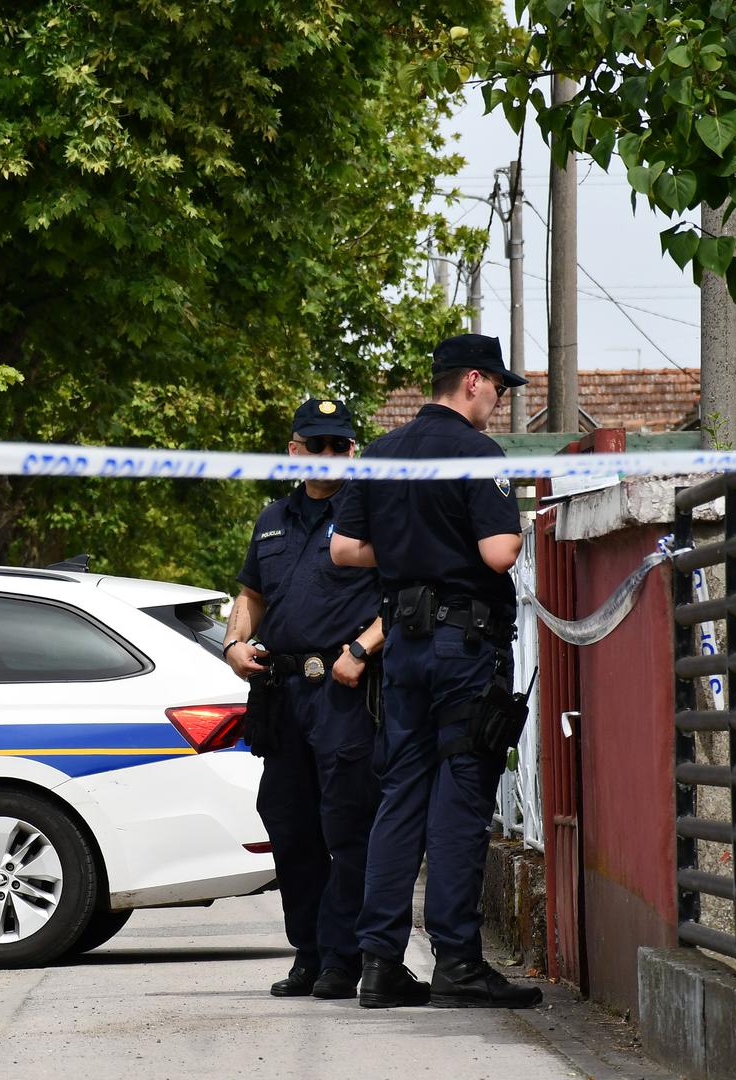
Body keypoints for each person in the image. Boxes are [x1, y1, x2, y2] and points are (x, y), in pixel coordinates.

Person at [329, 333, 543, 1010]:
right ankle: (456, 963)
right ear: (473, 381)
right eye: (500, 390)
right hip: (464, 649)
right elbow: (501, 552)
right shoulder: (477, 454)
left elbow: (343, 549)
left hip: (405, 651)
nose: (500, 403)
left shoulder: (385, 453)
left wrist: (408, 550)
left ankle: (379, 965)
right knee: (461, 799)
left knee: (401, 797)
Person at [225, 398, 384, 1001]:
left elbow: (401, 595)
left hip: (345, 691)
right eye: (314, 445)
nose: (327, 456)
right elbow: (250, 594)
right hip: (282, 693)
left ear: (352, 450)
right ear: (294, 451)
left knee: (345, 826)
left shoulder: (370, 515)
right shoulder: (272, 518)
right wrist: (235, 642)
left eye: (338, 446)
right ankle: (309, 952)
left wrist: (364, 650)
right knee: (289, 825)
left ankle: (345, 958)